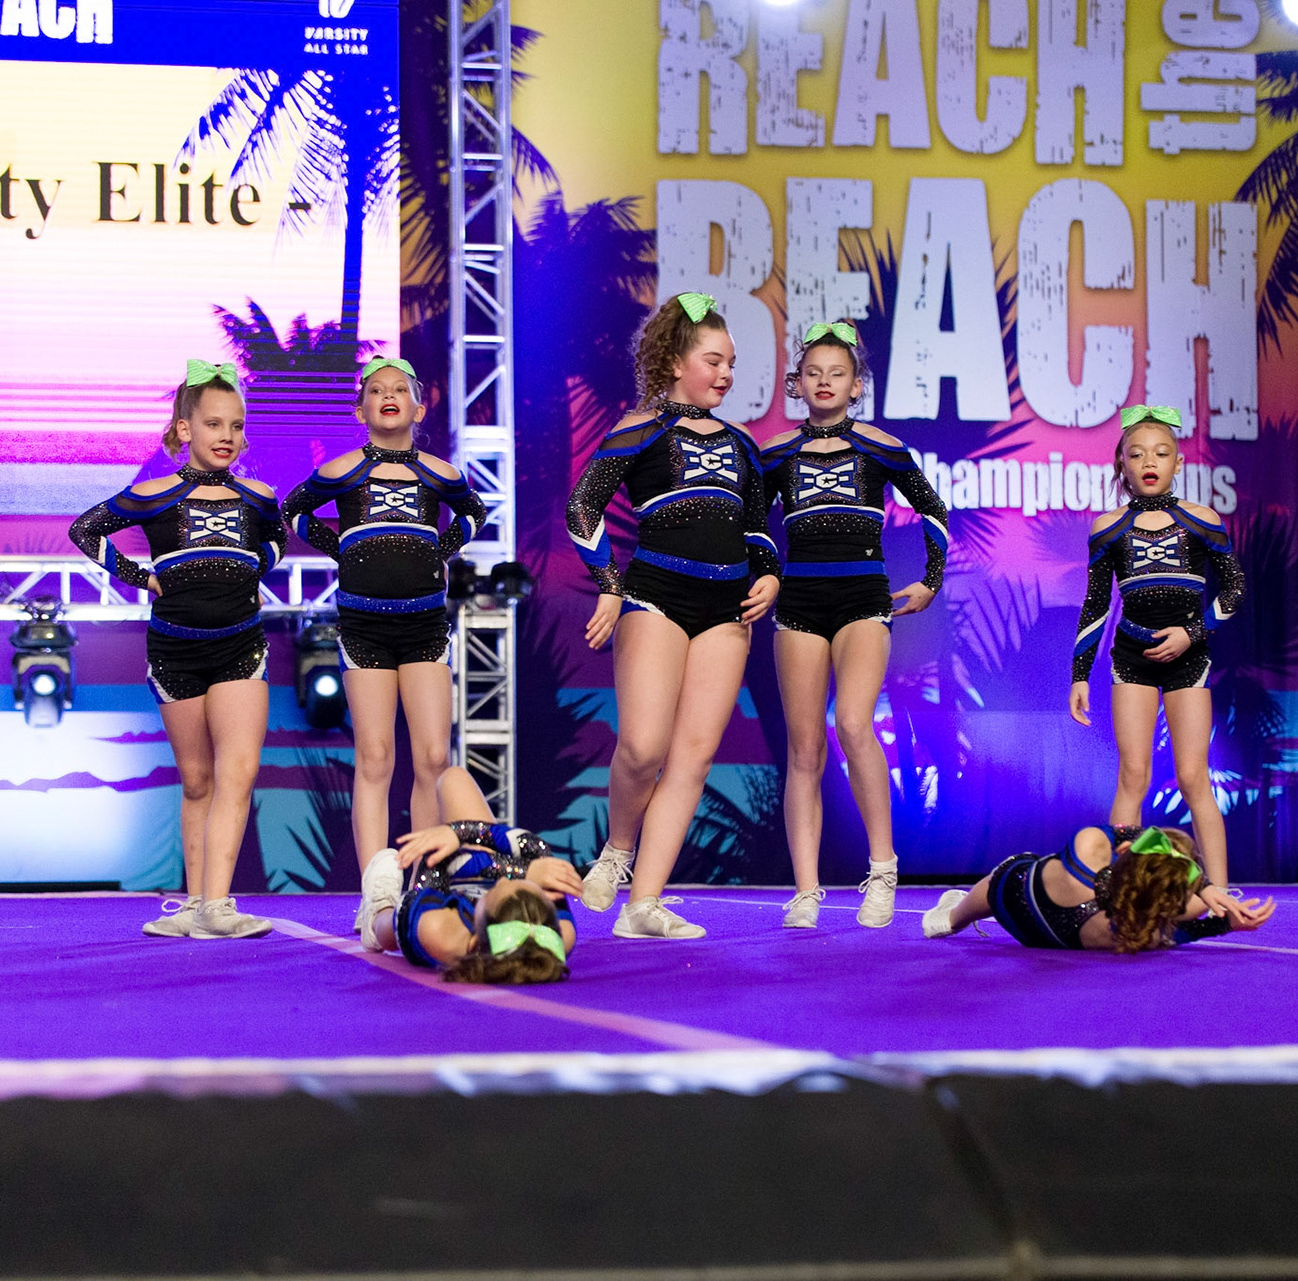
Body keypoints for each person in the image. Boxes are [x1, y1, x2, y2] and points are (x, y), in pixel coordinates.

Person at [565, 293, 780, 939]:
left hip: (727, 610)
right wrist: (609, 585)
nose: (727, 374)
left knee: (691, 758)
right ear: (675, 362)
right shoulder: (640, 429)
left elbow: (756, 529)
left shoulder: (743, 444)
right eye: (714, 360)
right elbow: (582, 507)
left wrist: (769, 573)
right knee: (642, 748)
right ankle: (617, 850)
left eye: (732, 363)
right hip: (655, 596)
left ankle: (643, 905)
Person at [69, 360, 285, 939]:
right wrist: (140, 577)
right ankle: (194, 904)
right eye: (214, 424)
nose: (227, 436)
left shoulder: (257, 495)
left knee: (237, 772)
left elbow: (278, 538)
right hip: (175, 651)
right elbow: (85, 530)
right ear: (185, 429)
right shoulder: (154, 494)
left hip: (240, 645)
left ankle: (218, 906)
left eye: (236, 426)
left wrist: (256, 566)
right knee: (196, 781)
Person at [281, 357, 487, 942]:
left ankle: (422, 886)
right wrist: (342, 546)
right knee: (374, 758)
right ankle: (377, 893)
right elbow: (293, 511)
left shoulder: (439, 472)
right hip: (364, 627)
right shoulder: (343, 470)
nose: (388, 395)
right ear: (361, 409)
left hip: (424, 627)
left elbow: (474, 513)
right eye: (376, 390)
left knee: (432, 758)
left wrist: (439, 551)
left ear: (419, 407)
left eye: (400, 389)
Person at [758, 321, 948, 928]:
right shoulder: (776, 453)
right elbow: (752, 528)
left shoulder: (878, 446)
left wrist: (930, 580)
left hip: (863, 597)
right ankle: (806, 891)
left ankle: (882, 870)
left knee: (853, 722)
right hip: (799, 602)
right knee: (804, 747)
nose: (824, 382)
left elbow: (934, 510)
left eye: (836, 373)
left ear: (856, 385)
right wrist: (766, 573)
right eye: (813, 373)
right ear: (797, 383)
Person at [1069, 406, 1247, 921]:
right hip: (1132, 659)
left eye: (1161, 453)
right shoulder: (1109, 528)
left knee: (1193, 776)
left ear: (1178, 462)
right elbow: (1095, 606)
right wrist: (1079, 675)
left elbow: (1235, 588)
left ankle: (1220, 894)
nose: (1150, 462)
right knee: (1133, 775)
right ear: (1122, 464)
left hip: (1189, 659)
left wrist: (1192, 633)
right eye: (1138, 454)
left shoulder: (1201, 519)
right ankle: (1119, 895)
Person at [358, 766, 582, 984]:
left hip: (429, 896)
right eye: (514, 881)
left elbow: (437, 865)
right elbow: (537, 849)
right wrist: (525, 871)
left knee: (387, 931)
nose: (502, 880)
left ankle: (377, 910)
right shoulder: (561, 934)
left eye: (495, 888)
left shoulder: (438, 930)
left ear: (475, 939)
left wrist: (457, 834)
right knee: (454, 779)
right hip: (476, 886)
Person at [922, 824, 1275, 952]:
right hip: (1035, 935)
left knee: (955, 916)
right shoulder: (1133, 932)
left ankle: (955, 916)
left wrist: (1203, 883)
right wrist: (1223, 922)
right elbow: (1183, 934)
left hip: (1008, 892)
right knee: (1196, 907)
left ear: (1127, 851)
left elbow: (1126, 832)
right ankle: (955, 913)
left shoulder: (1088, 849)